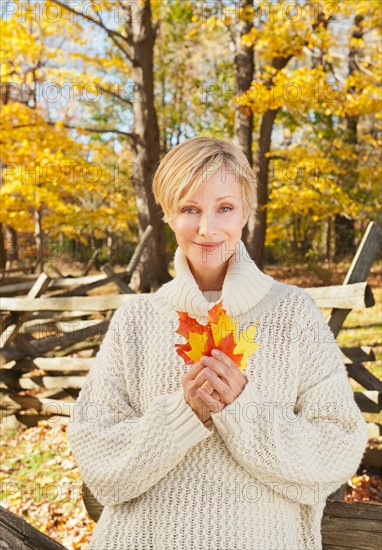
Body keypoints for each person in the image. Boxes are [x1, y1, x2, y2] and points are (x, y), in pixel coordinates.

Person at [67, 137, 368, 550]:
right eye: (190, 209)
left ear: (245, 211)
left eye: (224, 207)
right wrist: (182, 415)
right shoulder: (135, 321)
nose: (207, 228)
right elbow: (99, 463)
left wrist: (243, 412)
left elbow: (338, 447)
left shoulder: (294, 313)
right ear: (169, 215)